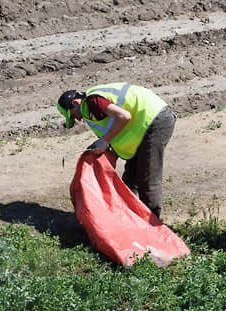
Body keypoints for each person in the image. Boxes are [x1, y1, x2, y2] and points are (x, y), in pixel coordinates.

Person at [57, 83, 175, 219]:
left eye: (72, 115)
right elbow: (115, 127)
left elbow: (124, 116)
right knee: (130, 179)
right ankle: (128, 217)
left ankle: (151, 225)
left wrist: (105, 140)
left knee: (147, 178)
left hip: (154, 119)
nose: (77, 119)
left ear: (75, 103)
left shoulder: (92, 101)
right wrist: (105, 143)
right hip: (143, 125)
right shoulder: (90, 108)